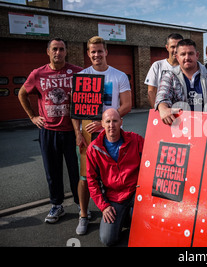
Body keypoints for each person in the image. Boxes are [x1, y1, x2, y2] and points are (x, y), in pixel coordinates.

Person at [18, 38, 83, 223]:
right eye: (55, 49)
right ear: (48, 52)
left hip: (73, 131)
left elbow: (91, 95)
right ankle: (57, 205)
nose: (58, 52)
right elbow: (22, 93)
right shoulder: (38, 74)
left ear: (66, 51)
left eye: (62, 49)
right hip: (48, 131)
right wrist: (32, 116)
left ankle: (81, 204)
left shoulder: (77, 72)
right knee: (52, 171)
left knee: (76, 170)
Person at [72, 36, 132, 235]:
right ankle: (83, 214)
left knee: (116, 173)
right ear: (88, 54)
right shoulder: (82, 76)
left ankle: (119, 207)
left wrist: (105, 122)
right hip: (89, 131)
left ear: (106, 52)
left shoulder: (119, 76)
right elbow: (75, 110)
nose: (97, 54)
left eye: (100, 51)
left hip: (111, 129)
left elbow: (126, 105)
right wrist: (77, 133)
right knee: (85, 176)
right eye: (93, 51)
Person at [86, 108, 144, 246]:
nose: (111, 125)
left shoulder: (136, 140)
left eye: (115, 121)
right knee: (107, 239)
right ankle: (126, 219)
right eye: (108, 121)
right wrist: (104, 207)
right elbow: (92, 181)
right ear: (102, 124)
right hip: (115, 197)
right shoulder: (94, 149)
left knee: (151, 225)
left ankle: (133, 221)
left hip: (136, 193)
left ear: (121, 122)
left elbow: (150, 162)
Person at [155, 39, 207, 125]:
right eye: (183, 54)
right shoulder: (169, 77)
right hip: (180, 130)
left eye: (190, 53)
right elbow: (162, 96)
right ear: (177, 57)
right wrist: (163, 108)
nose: (187, 58)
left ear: (197, 55)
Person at [145, 33, 183, 108]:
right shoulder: (157, 66)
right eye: (172, 47)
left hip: (183, 113)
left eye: (178, 47)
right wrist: (157, 112)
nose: (175, 50)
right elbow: (151, 92)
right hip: (163, 113)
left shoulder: (187, 67)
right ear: (167, 47)